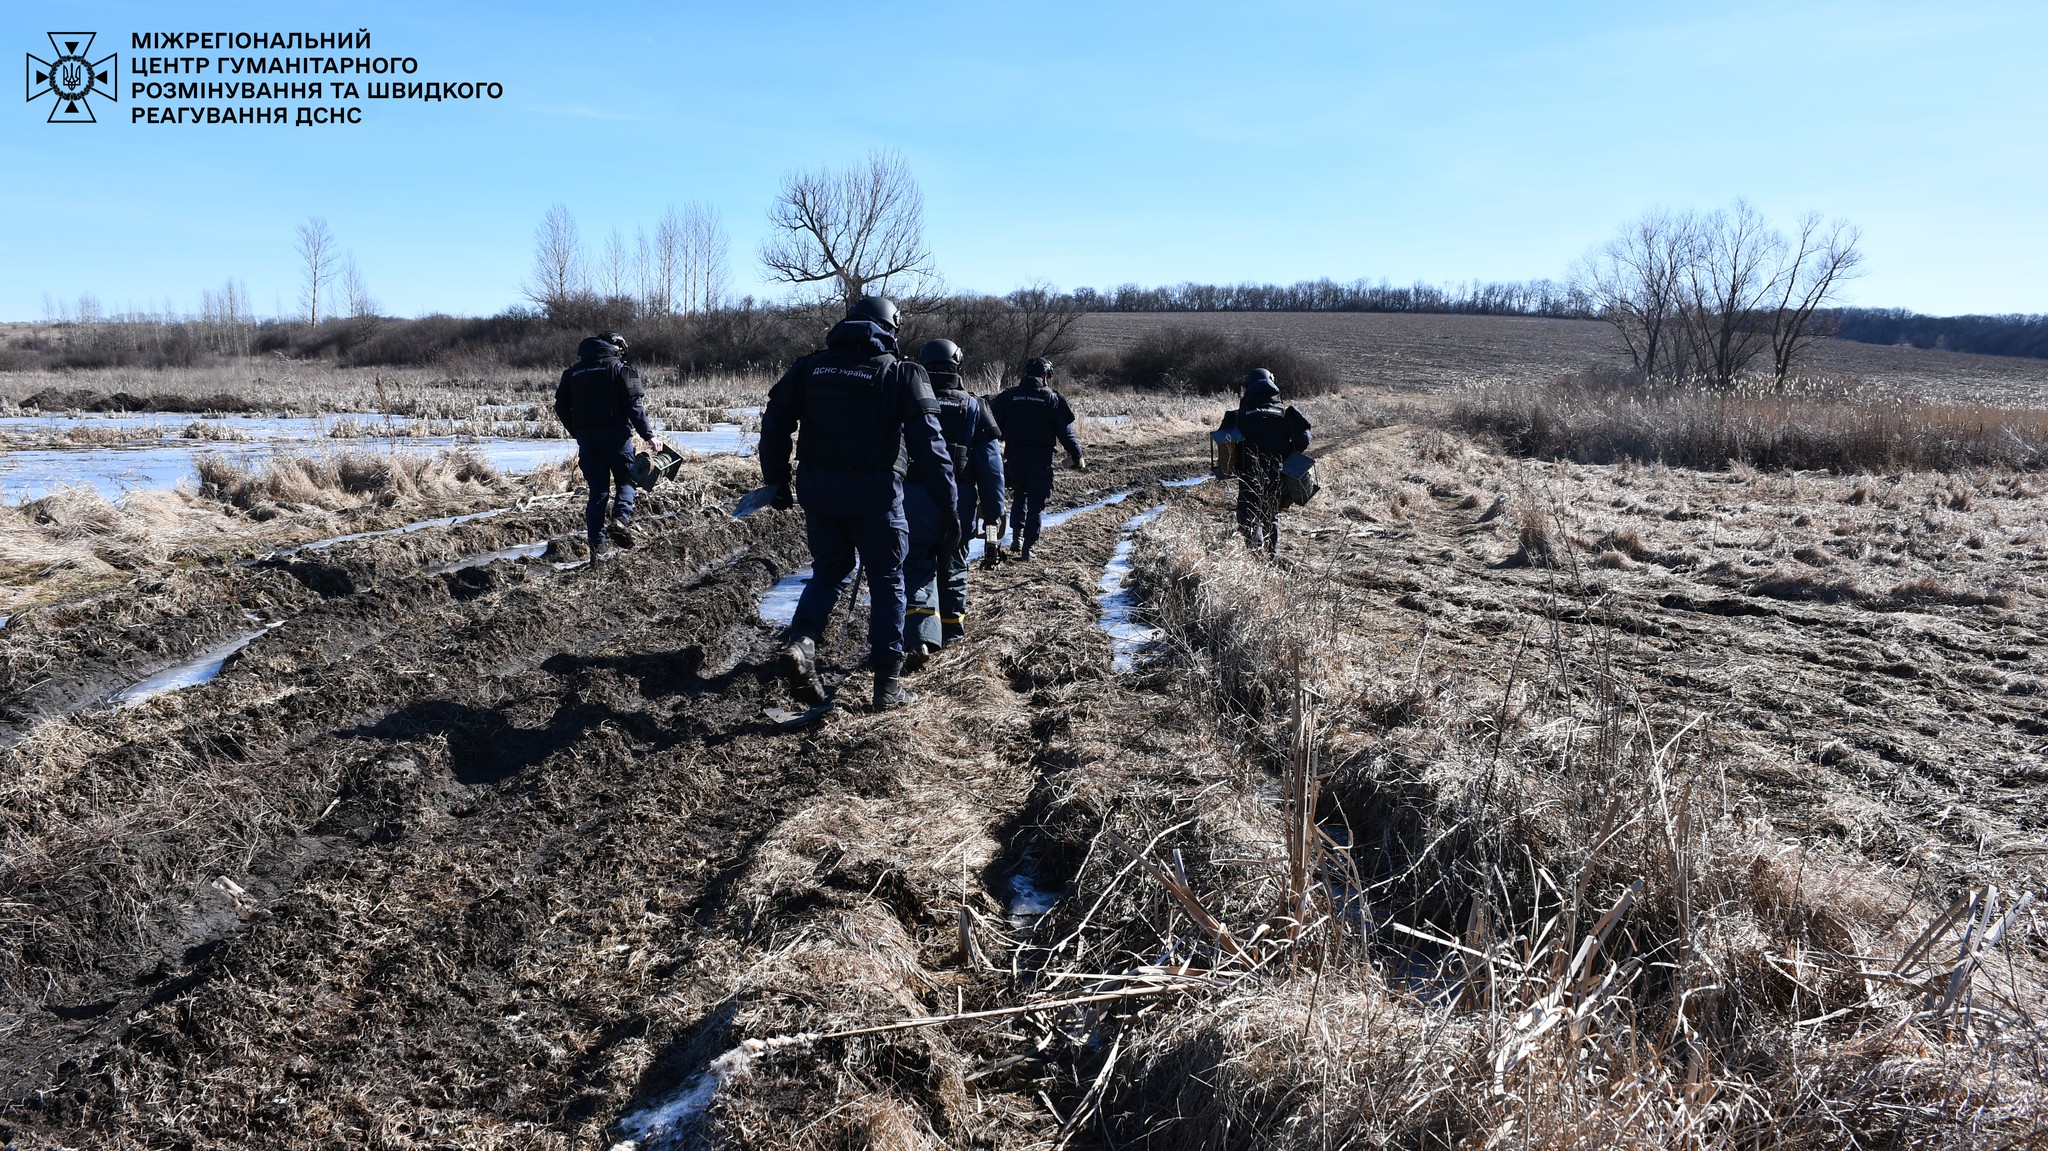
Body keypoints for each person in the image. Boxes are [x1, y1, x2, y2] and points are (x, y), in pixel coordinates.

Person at [760, 296, 959, 711]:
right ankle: (887, 686)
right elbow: (933, 445)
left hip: (817, 491)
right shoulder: (903, 373)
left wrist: (776, 481)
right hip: (877, 497)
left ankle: (802, 644)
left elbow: (775, 421)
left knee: (829, 572)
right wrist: (949, 506)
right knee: (888, 581)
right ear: (892, 328)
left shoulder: (810, 367)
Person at [902, 339, 1004, 669]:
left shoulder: (908, 400)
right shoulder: (975, 406)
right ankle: (953, 635)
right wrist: (995, 510)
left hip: (912, 503)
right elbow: (991, 466)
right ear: (957, 365)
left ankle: (919, 639)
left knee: (917, 570)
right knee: (954, 569)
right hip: (959, 505)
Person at [554, 330, 663, 560]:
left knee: (598, 493)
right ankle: (620, 520)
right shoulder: (623, 370)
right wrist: (649, 435)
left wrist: (578, 431)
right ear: (618, 348)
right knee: (628, 479)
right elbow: (635, 407)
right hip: (616, 438)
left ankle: (597, 548)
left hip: (588, 441)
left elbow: (561, 407)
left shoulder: (572, 373)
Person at [988, 357, 1084, 561]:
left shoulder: (1009, 396)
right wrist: (1077, 455)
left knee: (1019, 496)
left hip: (1014, 457)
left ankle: (1016, 538)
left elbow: (993, 426)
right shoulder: (1052, 399)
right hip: (1040, 459)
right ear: (1046, 375)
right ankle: (1028, 548)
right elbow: (1065, 433)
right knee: (1035, 504)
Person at [1219, 367, 1311, 558]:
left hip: (1248, 473)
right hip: (1277, 473)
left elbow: (1225, 445)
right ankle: (1270, 557)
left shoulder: (1237, 416)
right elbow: (1304, 440)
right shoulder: (1286, 413)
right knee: (1270, 515)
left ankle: (1255, 556)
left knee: (1249, 517)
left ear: (1248, 387)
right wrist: (1287, 454)